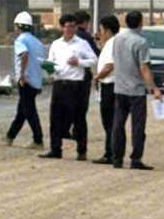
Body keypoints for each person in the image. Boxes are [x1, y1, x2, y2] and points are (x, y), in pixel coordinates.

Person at [39, 14, 97, 161]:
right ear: (62, 28)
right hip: (59, 83)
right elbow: (50, 62)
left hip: (75, 84)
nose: (70, 29)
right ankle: (55, 149)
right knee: (55, 118)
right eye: (67, 27)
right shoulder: (56, 44)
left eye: (73, 26)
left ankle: (81, 150)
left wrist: (79, 62)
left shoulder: (82, 44)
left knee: (78, 118)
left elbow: (94, 60)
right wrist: (49, 68)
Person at [111, 10, 162, 170]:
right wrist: (154, 88)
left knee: (118, 125)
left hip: (120, 88)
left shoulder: (117, 39)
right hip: (136, 90)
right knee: (138, 126)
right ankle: (136, 159)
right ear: (141, 22)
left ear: (126, 22)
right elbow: (144, 67)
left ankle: (117, 158)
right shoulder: (141, 42)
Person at [4, 11, 45, 149]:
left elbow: (24, 54)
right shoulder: (38, 42)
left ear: (18, 26)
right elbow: (43, 62)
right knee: (22, 111)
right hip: (36, 81)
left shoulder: (20, 41)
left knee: (29, 111)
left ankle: (38, 140)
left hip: (26, 81)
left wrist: (22, 75)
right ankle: (10, 136)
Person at [92, 15, 120, 165]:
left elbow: (108, 67)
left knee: (109, 123)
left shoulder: (111, 44)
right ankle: (113, 152)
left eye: (101, 30)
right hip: (114, 86)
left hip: (110, 87)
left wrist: (96, 77)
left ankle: (110, 153)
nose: (100, 33)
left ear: (107, 30)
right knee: (112, 123)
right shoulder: (114, 43)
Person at [67, 10, 99, 139]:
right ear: (85, 22)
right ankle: (78, 132)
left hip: (69, 75)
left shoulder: (70, 35)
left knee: (69, 103)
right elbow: (95, 54)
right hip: (83, 75)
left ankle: (65, 128)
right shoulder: (86, 37)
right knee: (81, 105)